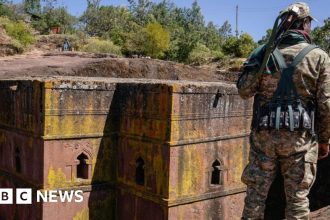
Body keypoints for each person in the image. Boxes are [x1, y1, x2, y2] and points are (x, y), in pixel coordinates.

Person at [236, 2, 330, 219]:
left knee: (255, 198)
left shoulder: (263, 52)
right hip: (300, 141)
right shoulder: (319, 57)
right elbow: (326, 102)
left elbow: (244, 90)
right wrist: (325, 139)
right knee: (297, 200)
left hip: (264, 140)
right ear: (305, 24)